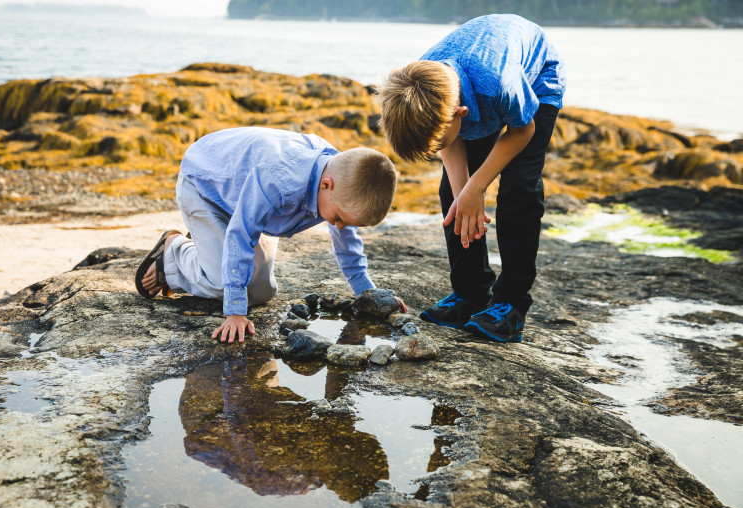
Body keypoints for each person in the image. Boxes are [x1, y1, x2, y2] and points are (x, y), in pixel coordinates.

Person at [378, 14, 566, 343]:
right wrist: (466, 194)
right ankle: (470, 294)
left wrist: (478, 186)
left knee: (518, 189)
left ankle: (511, 305)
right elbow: (450, 149)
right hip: (472, 89)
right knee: (454, 195)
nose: (438, 149)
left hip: (535, 80)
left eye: (438, 143)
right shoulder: (420, 81)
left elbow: (523, 130)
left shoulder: (497, 83)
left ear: (460, 115)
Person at [135, 127, 404, 343]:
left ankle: (208, 246)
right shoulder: (280, 181)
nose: (340, 226)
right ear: (326, 185)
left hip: (249, 203)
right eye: (338, 219)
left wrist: (368, 294)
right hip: (205, 187)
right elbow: (241, 234)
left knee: (263, 292)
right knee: (222, 283)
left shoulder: (341, 181)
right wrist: (235, 313)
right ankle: (174, 252)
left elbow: (347, 243)